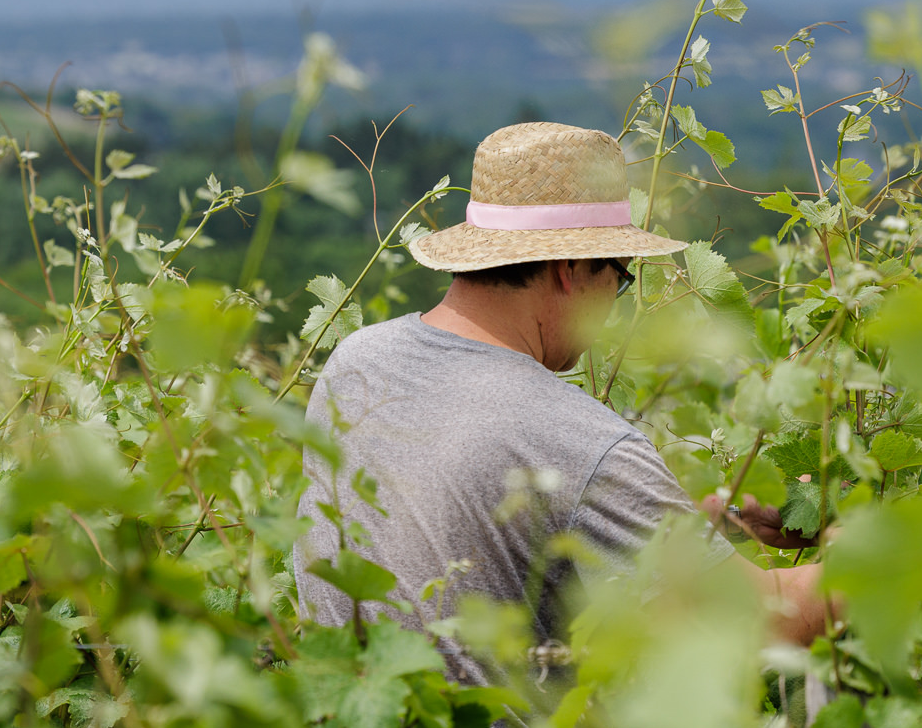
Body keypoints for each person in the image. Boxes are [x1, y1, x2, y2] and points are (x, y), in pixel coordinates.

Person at [292, 122, 831, 688]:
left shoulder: (355, 362)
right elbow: (765, 623)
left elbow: (464, 527)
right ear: (571, 271)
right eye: (619, 278)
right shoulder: (577, 440)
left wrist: (689, 524)